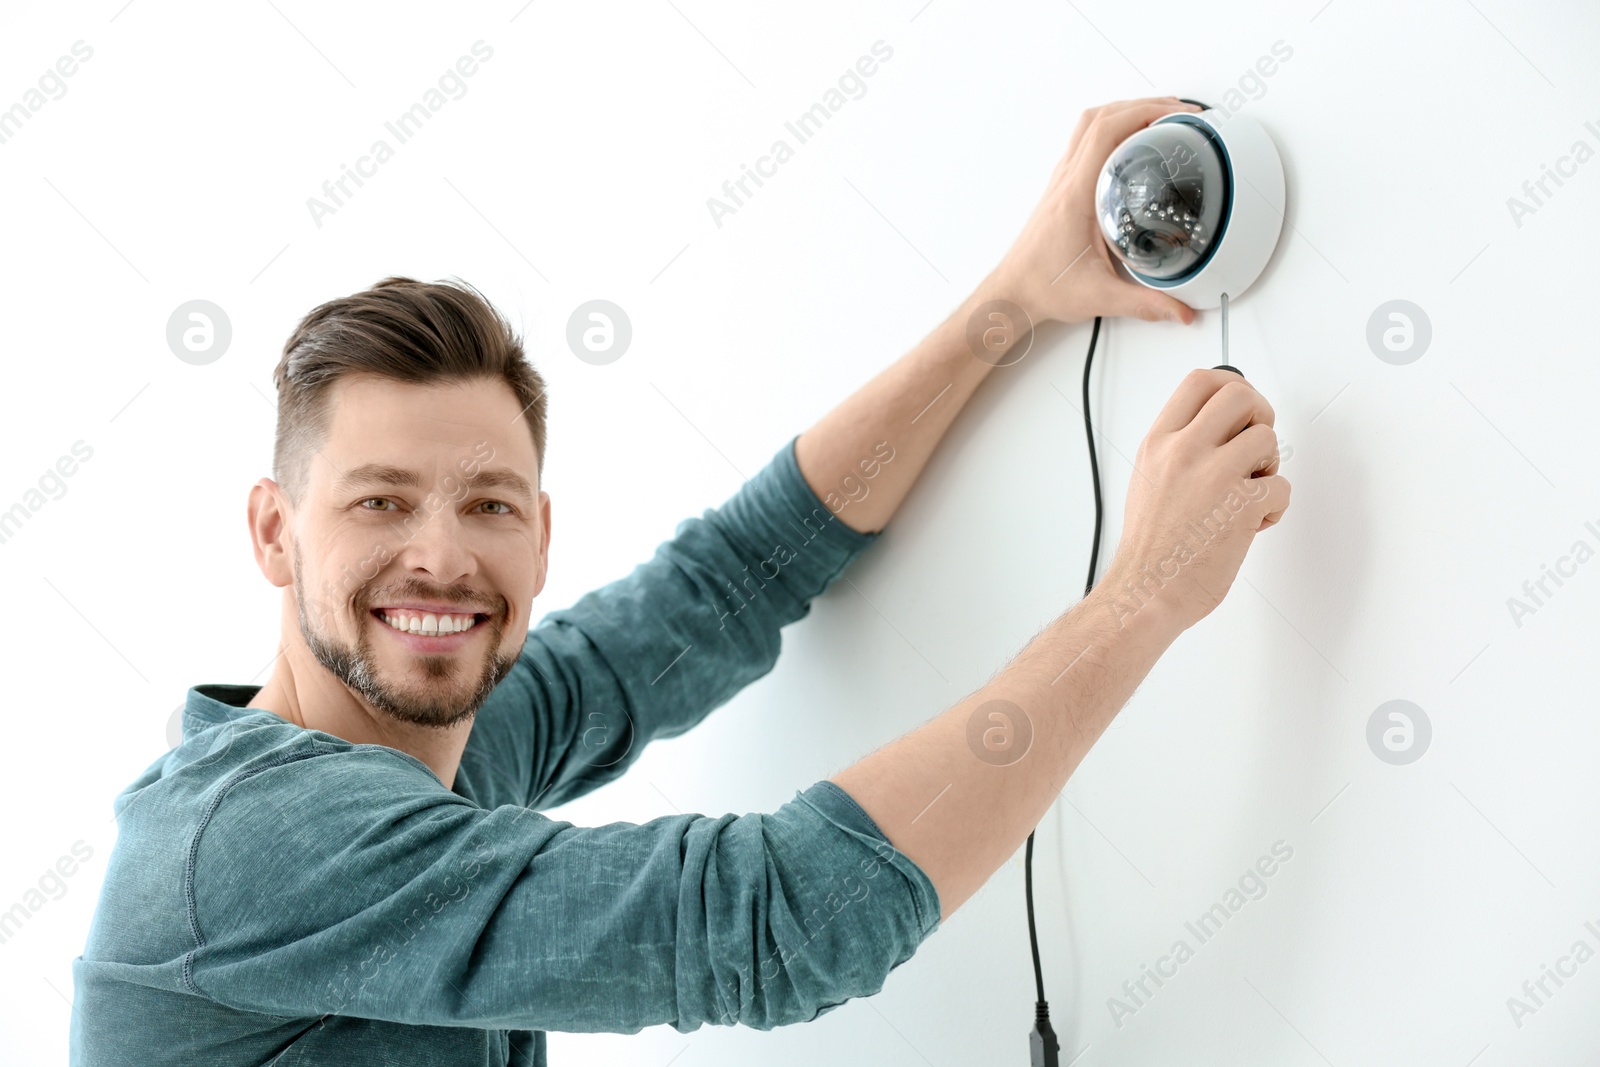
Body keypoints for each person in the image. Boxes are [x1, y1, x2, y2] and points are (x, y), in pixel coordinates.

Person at [69, 96, 1289, 1066]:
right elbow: (776, 915)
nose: (441, 553)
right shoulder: (247, 844)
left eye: (486, 503)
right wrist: (1141, 596)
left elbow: (727, 580)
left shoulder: (431, 738)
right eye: (378, 500)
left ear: (541, 538)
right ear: (274, 533)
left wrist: (1016, 298)